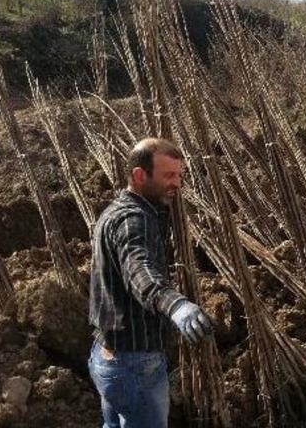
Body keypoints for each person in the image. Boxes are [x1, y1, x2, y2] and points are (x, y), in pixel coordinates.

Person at [87, 138, 214, 428]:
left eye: (180, 175)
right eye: (168, 175)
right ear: (139, 175)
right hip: (134, 363)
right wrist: (176, 305)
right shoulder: (135, 220)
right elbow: (139, 271)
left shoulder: (114, 212)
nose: (177, 184)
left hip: (107, 355)